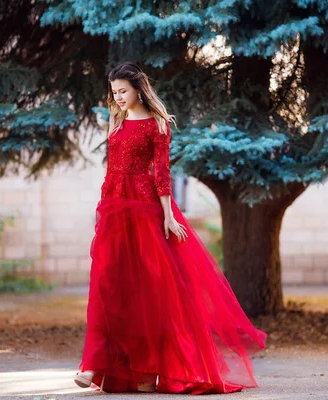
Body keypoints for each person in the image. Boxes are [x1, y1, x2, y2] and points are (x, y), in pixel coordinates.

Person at [74, 62, 267, 394]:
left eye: (123, 91)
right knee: (111, 285)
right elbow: (112, 170)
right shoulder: (115, 120)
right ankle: (99, 366)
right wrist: (104, 209)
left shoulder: (158, 125)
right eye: (114, 92)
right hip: (115, 209)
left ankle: (151, 371)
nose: (118, 97)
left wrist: (168, 216)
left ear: (138, 89)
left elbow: (161, 173)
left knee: (153, 289)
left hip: (146, 206)